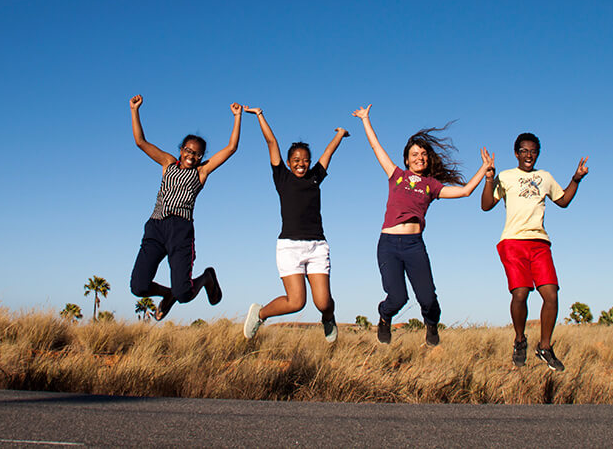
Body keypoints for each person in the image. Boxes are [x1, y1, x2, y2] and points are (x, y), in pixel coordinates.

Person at [353, 104, 493, 347]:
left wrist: (484, 169)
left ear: (427, 160)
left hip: (414, 246)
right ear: (406, 159)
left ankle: (431, 324)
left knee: (428, 299)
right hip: (388, 245)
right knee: (397, 298)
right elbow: (376, 147)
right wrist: (365, 119)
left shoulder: (432, 185)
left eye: (423, 154)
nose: (419, 157)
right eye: (414, 154)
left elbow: (466, 191)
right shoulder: (396, 175)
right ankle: (384, 316)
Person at [480, 132, 589, 371]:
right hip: (513, 242)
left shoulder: (545, 177)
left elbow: (563, 201)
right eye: (524, 151)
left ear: (537, 153)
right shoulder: (506, 176)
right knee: (520, 294)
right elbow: (486, 205)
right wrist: (489, 179)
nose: (529, 155)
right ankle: (520, 341)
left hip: (540, 243)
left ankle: (545, 347)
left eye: (533, 151)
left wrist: (577, 178)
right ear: (516, 153)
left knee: (551, 294)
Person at [128, 94, 242, 320]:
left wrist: (237, 117)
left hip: (180, 231)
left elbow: (230, 148)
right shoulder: (168, 163)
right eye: (188, 150)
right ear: (181, 150)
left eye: (197, 153)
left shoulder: (201, 172)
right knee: (138, 287)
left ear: (202, 157)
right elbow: (141, 142)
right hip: (155, 227)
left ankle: (206, 278)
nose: (192, 155)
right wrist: (134, 110)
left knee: (185, 293)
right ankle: (166, 294)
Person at [241, 106, 349, 342]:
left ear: (309, 162)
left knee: (322, 302)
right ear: (289, 162)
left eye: (305, 160)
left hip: (317, 246)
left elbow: (328, 154)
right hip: (289, 246)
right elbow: (271, 142)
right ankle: (260, 314)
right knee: (296, 302)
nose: (301, 163)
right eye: (296, 160)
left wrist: (340, 134)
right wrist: (260, 115)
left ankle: (328, 317)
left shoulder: (315, 177)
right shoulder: (282, 177)